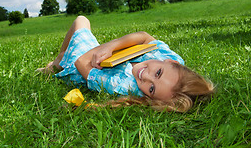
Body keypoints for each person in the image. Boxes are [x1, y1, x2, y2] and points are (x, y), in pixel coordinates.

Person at [37, 16, 214, 112]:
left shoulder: (123, 85)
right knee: (81, 23)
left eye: (151, 89)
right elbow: (145, 36)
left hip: (78, 64)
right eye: (158, 73)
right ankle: (57, 60)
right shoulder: (169, 56)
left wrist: (103, 48)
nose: (144, 76)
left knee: (81, 21)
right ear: (171, 62)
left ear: (150, 97)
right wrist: (112, 46)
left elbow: (81, 62)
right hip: (98, 53)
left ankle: (58, 63)